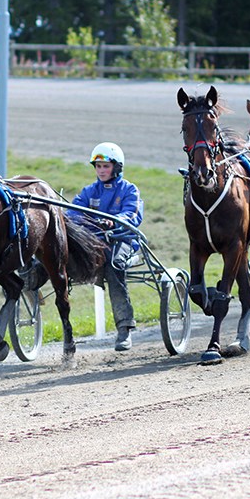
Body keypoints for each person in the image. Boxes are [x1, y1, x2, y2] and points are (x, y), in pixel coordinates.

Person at [67, 142, 144, 351]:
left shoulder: (129, 189)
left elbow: (132, 214)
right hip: (94, 242)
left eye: (106, 166)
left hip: (122, 240)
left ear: (117, 167)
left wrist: (114, 220)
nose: (101, 171)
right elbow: (73, 213)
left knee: (114, 265)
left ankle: (124, 328)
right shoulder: (89, 191)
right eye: (98, 166)